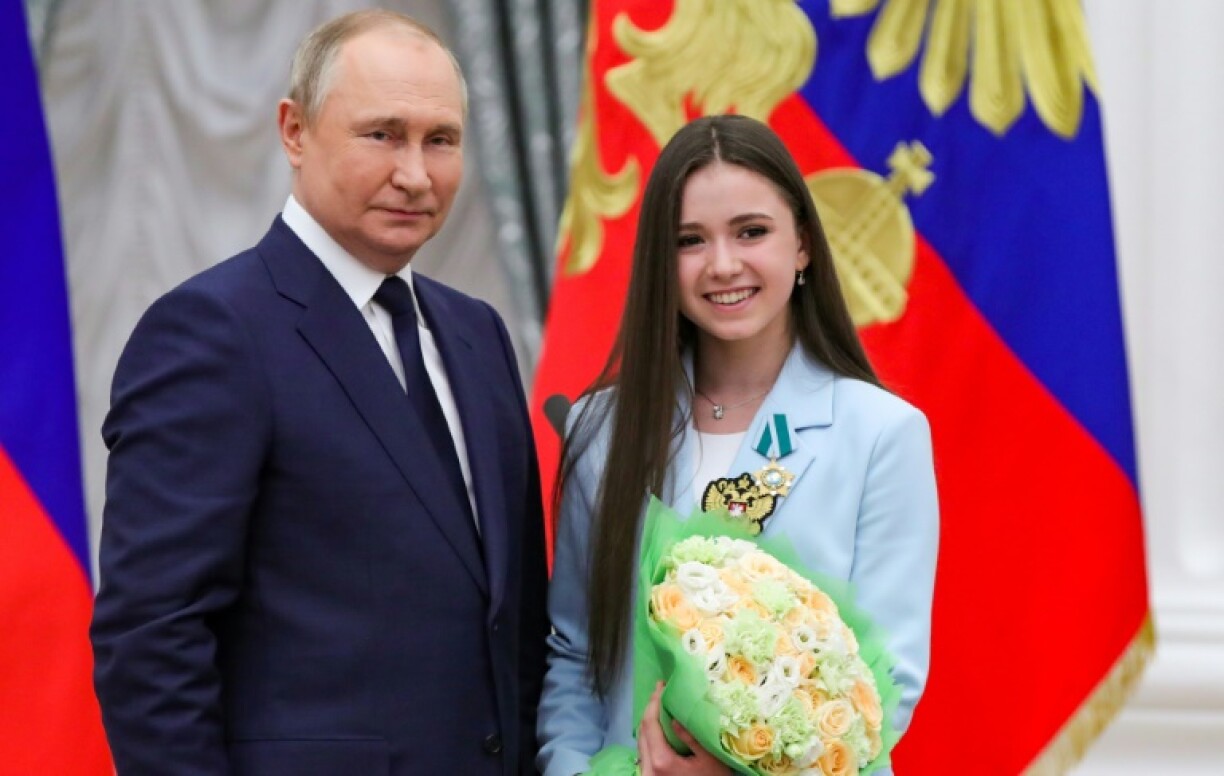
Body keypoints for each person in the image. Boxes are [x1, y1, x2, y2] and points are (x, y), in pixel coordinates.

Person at [90, 11, 548, 776]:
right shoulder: (211, 331)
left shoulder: (477, 335)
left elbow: (514, 618)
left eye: (441, 140)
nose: (415, 173)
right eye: (383, 134)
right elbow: (152, 637)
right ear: (294, 131)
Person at [537, 115, 939, 776]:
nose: (723, 264)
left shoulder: (882, 433)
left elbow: (886, 680)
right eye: (689, 240)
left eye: (751, 232)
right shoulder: (599, 430)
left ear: (803, 244)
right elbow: (577, 653)